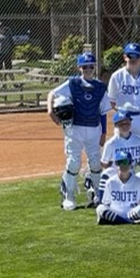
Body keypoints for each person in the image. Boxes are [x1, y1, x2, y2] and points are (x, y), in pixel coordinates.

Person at [47, 52, 110, 210]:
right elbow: (52, 94)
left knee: (96, 162)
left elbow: (103, 112)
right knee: (74, 162)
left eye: (91, 66)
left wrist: (103, 133)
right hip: (75, 128)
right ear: (79, 67)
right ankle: (69, 194)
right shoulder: (73, 84)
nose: (88, 69)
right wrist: (50, 112)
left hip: (94, 128)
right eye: (84, 66)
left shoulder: (100, 87)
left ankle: (97, 193)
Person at [107, 42, 140, 136]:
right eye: (130, 56)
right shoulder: (116, 76)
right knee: (121, 147)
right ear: (125, 57)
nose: (133, 59)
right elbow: (111, 101)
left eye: (136, 56)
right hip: (124, 118)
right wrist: (121, 112)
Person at [95, 151, 140, 225]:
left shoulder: (139, 182)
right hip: (115, 212)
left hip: (132, 213)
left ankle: (114, 221)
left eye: (126, 162)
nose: (123, 165)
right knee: (100, 208)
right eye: (120, 162)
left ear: (131, 163)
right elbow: (106, 203)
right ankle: (131, 222)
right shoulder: (110, 182)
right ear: (116, 164)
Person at [100, 110, 140, 182]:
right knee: (107, 173)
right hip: (116, 175)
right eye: (121, 124)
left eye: (127, 123)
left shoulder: (139, 141)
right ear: (115, 125)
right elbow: (104, 163)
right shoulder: (110, 144)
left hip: (133, 175)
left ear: (131, 122)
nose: (125, 125)